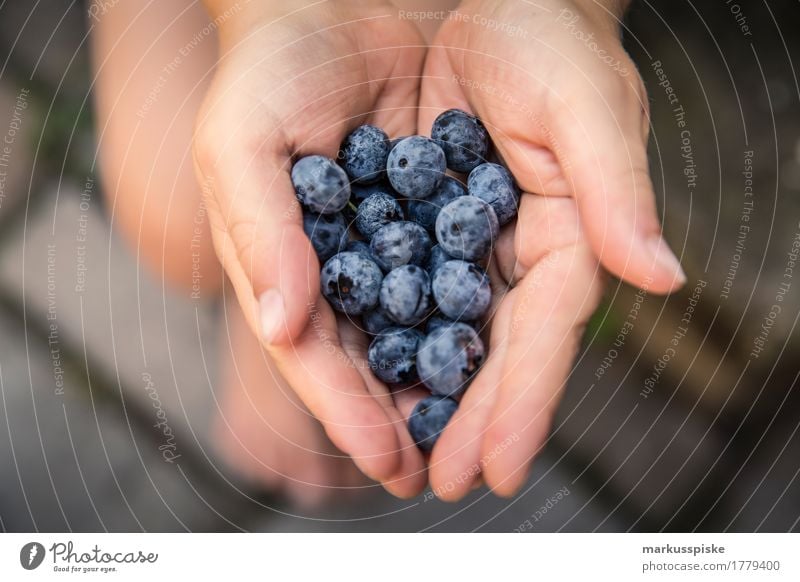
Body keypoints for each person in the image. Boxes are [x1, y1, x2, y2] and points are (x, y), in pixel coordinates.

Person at [90, 0, 685, 506]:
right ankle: (279, 290)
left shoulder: (441, 223)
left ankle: (286, 297)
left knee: (196, 223)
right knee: (172, 224)